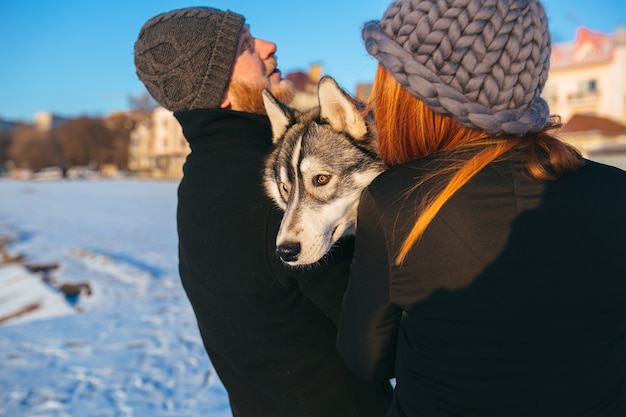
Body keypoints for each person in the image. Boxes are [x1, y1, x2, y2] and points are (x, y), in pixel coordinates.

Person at [337, 0, 626, 416]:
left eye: (389, 75)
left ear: (413, 95)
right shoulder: (616, 191)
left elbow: (367, 360)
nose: (373, 102)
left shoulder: (397, 202)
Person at [133, 7, 391, 417]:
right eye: (247, 47)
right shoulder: (268, 192)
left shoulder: (199, 180)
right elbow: (384, 343)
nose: (269, 47)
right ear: (220, 88)